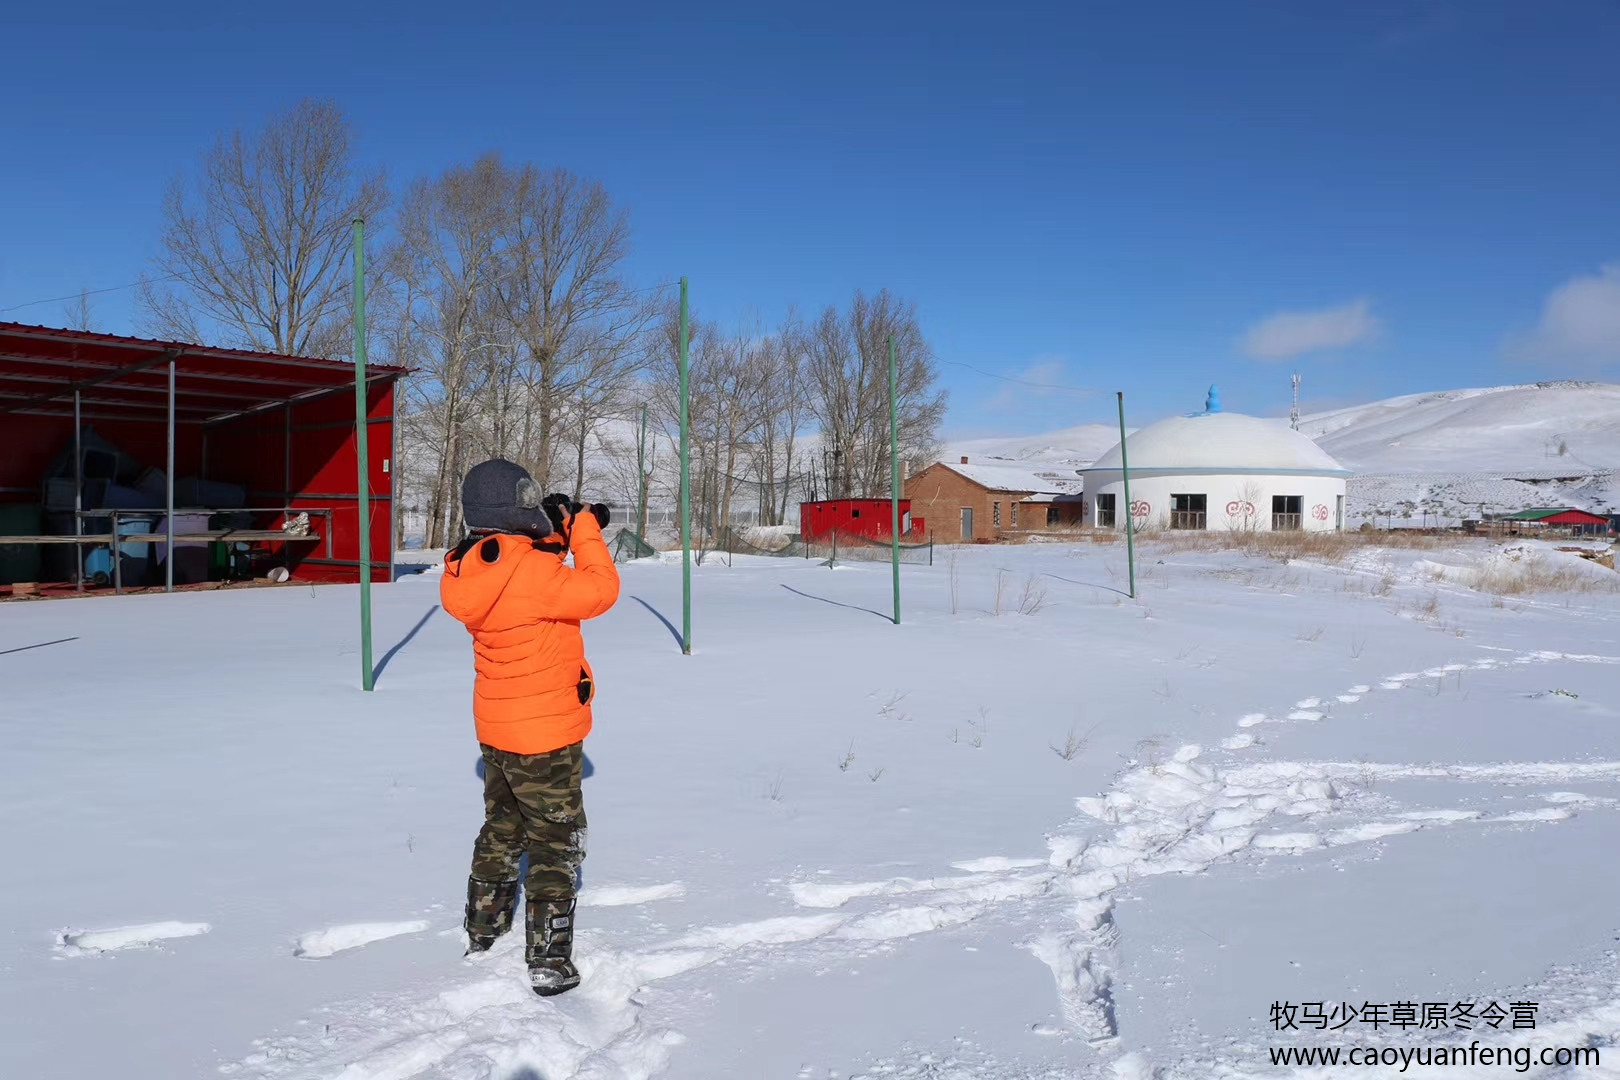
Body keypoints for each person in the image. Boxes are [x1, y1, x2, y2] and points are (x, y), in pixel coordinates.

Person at [438, 458, 619, 996]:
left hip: (496, 730)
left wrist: (551, 536)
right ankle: (548, 958)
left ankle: (482, 928)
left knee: (501, 827)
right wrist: (583, 528)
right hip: (546, 735)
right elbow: (600, 590)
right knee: (554, 841)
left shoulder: (469, 567)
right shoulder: (539, 577)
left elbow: (520, 570)